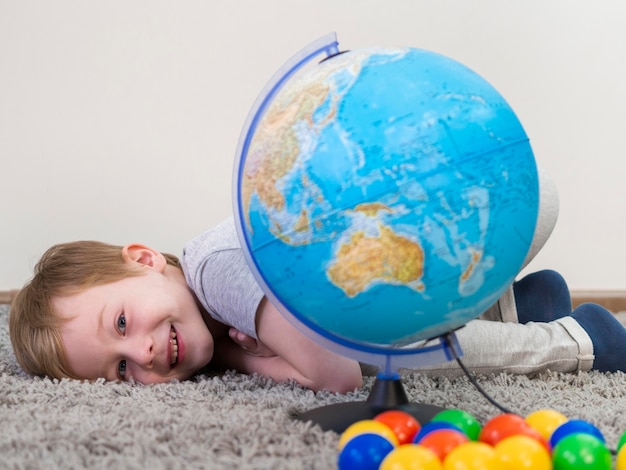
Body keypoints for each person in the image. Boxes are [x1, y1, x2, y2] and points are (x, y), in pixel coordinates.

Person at [9, 169, 626, 391]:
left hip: (504, 205)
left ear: (145, 259)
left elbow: (333, 377)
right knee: (356, 314)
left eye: (121, 323)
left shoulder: (217, 270)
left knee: (374, 353)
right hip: (480, 226)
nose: (141, 353)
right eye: (120, 370)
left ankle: (583, 342)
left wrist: (245, 361)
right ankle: (519, 305)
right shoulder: (205, 296)